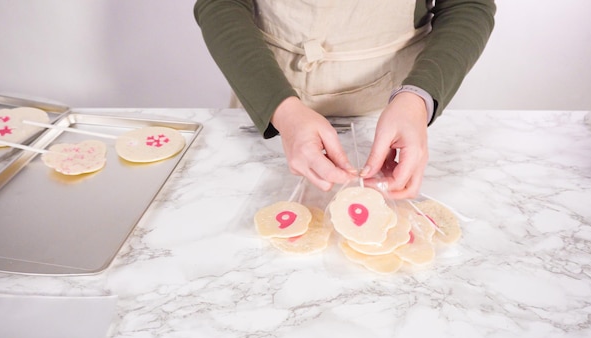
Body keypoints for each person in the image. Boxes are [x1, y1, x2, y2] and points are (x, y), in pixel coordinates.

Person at [194, 0, 496, 198]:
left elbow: (467, 5)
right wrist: (282, 111)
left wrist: (418, 99)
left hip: (399, 113)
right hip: (267, 103)